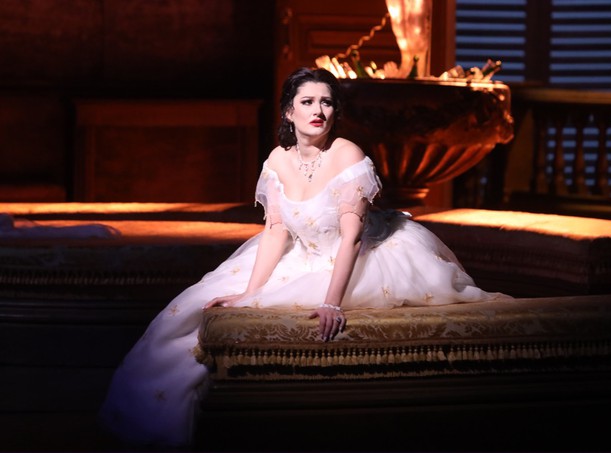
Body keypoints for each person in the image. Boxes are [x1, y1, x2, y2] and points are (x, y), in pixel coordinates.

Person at [98, 67, 509, 448]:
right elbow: (275, 232)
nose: (318, 110)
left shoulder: (347, 154)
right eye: (308, 101)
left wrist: (331, 302)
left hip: (361, 254)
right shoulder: (278, 159)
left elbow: (352, 239)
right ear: (288, 111)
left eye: (326, 102)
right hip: (301, 252)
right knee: (189, 313)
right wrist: (250, 292)